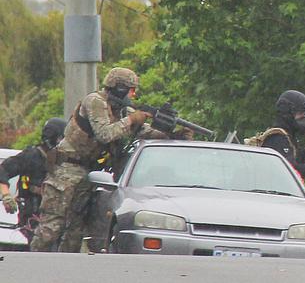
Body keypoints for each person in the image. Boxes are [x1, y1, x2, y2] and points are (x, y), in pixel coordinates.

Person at [30, 67, 188, 253]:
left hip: (89, 173)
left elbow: (143, 131)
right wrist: (131, 120)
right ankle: (32, 265)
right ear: (119, 88)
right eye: (131, 89)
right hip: (66, 170)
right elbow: (104, 133)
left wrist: (171, 133)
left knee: (75, 230)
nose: (133, 94)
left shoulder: (121, 110)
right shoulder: (95, 101)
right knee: (51, 228)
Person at [0, 118, 66, 242]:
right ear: (53, 137)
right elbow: (3, 170)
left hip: (59, 220)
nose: (63, 142)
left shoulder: (66, 159)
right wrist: (6, 196)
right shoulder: (31, 156)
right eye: (61, 138)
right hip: (32, 218)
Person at [260, 90, 305, 178]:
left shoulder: (287, 136)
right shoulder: (277, 138)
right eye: (301, 113)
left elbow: (299, 157)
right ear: (287, 113)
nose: (304, 118)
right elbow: (293, 172)